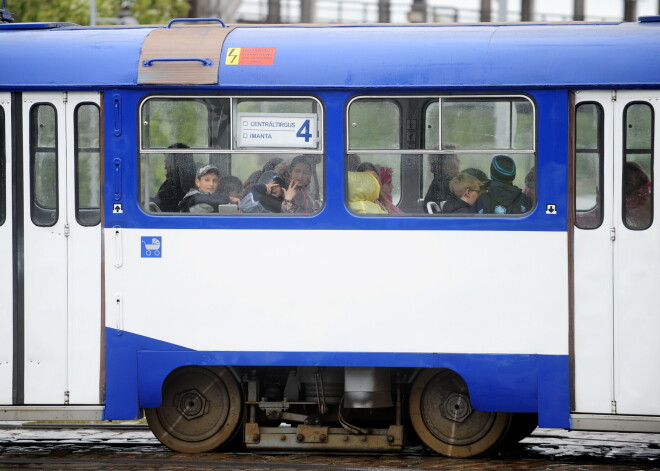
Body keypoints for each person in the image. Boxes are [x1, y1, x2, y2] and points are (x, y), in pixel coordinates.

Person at [150, 143, 195, 212]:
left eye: (167, 163)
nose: (165, 167)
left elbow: (162, 201)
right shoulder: (193, 177)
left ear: (177, 162)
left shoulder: (178, 183)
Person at [623, 161, 652, 228]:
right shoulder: (624, 196)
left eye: (627, 180)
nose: (624, 183)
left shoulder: (650, 193)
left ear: (639, 175)